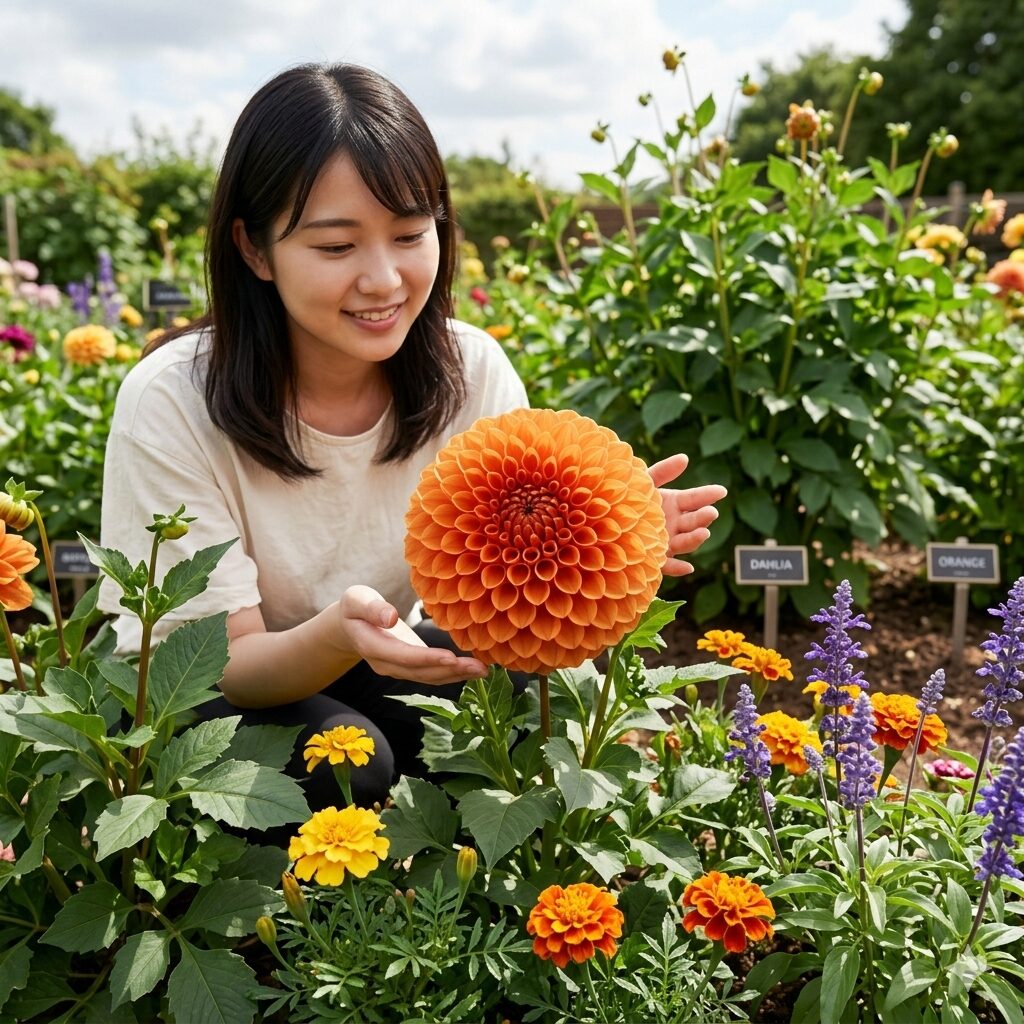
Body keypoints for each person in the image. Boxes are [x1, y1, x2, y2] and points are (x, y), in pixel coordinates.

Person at [98, 62, 727, 811]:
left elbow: (502, 594)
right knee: (350, 767)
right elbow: (219, 663)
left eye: (409, 234)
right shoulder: (173, 399)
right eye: (336, 247)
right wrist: (337, 635)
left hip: (381, 652)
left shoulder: (470, 368)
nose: (385, 279)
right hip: (214, 684)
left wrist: (597, 545)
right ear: (254, 249)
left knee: (524, 701)